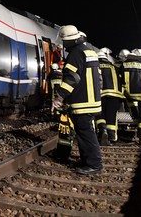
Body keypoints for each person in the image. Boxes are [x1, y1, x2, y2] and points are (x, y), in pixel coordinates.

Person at [52, 25, 103, 174]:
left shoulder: (75, 54)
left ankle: (94, 164)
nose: (63, 44)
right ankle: (88, 160)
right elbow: (98, 78)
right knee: (86, 132)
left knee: (86, 133)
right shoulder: (89, 51)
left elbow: (71, 79)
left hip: (82, 101)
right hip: (92, 100)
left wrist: (59, 97)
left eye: (64, 41)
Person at [95, 48, 122, 145]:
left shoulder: (95, 66)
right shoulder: (114, 67)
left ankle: (102, 131)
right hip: (114, 95)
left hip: (100, 94)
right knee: (111, 116)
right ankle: (112, 138)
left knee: (100, 115)